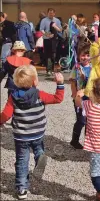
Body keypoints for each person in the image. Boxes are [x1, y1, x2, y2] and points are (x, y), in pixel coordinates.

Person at [0, 64, 64, 200]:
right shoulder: (39, 94)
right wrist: (60, 84)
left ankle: (22, 189)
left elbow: (6, 114)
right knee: (38, 148)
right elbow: (57, 99)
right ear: (35, 81)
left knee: (22, 161)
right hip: (38, 132)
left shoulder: (13, 97)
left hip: (21, 136)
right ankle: (39, 157)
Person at [69, 42, 91, 149]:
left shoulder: (93, 67)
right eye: (83, 55)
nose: (85, 57)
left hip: (91, 98)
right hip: (79, 98)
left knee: (89, 121)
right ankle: (74, 140)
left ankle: (88, 142)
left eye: (88, 55)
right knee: (81, 120)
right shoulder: (77, 67)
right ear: (78, 55)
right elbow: (72, 81)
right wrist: (74, 94)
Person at [40, 8, 62, 76]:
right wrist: (47, 35)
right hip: (47, 39)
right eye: (49, 13)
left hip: (54, 39)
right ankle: (48, 70)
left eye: (52, 13)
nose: (51, 14)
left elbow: (60, 30)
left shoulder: (57, 20)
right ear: (47, 13)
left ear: (54, 13)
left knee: (53, 55)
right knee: (47, 55)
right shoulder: (44, 20)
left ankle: (52, 69)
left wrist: (55, 26)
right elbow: (41, 29)